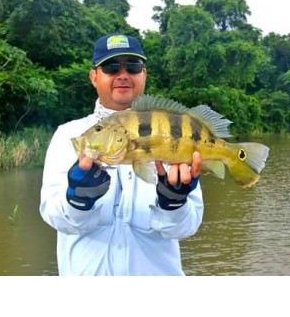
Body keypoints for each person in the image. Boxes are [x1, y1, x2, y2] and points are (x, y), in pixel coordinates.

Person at [39, 33, 204, 275]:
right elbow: (54, 216)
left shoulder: (177, 134)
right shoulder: (68, 136)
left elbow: (186, 227)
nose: (123, 75)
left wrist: (174, 203)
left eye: (133, 66)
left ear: (144, 75)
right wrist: (78, 200)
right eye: (111, 66)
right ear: (94, 76)